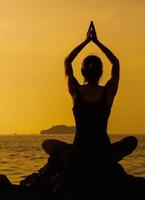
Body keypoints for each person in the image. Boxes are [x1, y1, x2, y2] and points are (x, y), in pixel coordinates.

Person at [42, 22, 137, 163]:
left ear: (82, 72)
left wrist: (86, 41)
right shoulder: (108, 91)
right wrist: (97, 42)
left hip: (80, 150)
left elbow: (68, 61)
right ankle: (104, 159)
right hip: (103, 150)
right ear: (101, 72)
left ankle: (82, 159)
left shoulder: (75, 90)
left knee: (46, 144)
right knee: (131, 141)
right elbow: (115, 63)